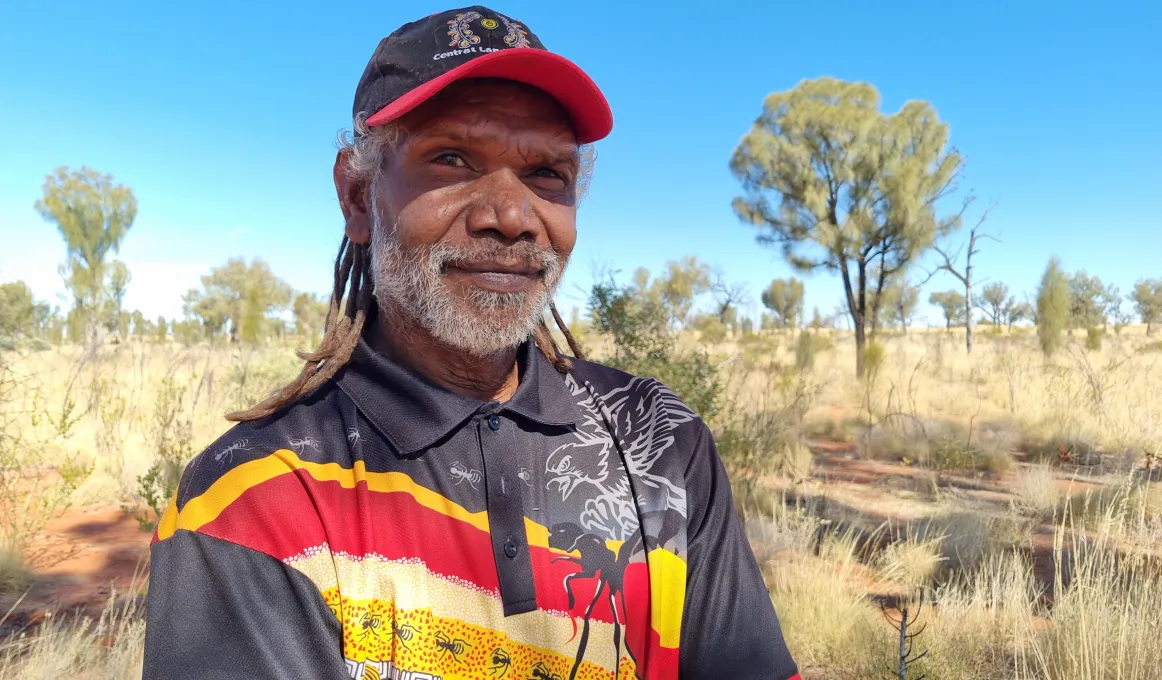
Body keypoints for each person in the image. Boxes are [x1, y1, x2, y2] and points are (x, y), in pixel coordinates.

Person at [143, 6, 801, 680]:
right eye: (452, 159)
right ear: (357, 194)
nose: (511, 218)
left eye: (548, 174)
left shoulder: (663, 443)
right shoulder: (259, 498)